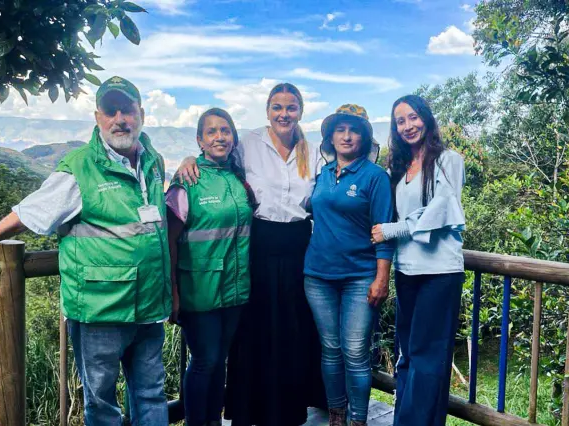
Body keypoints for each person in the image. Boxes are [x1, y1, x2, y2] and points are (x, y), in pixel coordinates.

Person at [0, 77, 171, 426]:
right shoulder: (79, 168)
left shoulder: (151, 160)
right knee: (102, 405)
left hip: (149, 307)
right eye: (109, 111)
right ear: (97, 117)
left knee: (151, 395)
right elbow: (29, 212)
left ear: (141, 113)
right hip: (100, 312)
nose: (119, 119)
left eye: (126, 109)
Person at [176, 82, 326, 426]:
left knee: (292, 331)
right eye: (277, 107)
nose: (284, 114)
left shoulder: (313, 151)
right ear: (267, 111)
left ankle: (287, 412)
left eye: (290, 108)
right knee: (253, 332)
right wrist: (188, 160)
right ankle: (248, 412)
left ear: (300, 111)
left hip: (299, 247)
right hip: (258, 246)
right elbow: (218, 164)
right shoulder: (249, 144)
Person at [371, 94, 466, 426]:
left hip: (439, 272)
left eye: (413, 117)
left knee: (428, 358)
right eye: (400, 121)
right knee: (407, 356)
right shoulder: (397, 168)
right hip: (407, 271)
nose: (408, 126)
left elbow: (440, 211)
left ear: (426, 119)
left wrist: (391, 230)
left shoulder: (448, 161)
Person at [304, 104, 394, 426]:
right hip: (317, 275)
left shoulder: (375, 177)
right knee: (330, 349)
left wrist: (382, 278)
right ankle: (336, 415)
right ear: (330, 136)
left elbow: (384, 231)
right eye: (340, 129)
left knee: (355, 353)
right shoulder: (324, 174)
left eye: (353, 130)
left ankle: (358, 420)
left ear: (364, 136)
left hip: (360, 276)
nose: (346, 136)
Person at [165, 108, 255, 426]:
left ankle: (213, 422)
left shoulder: (237, 178)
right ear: (200, 140)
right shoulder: (188, 180)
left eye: (226, 130)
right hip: (198, 290)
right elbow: (169, 240)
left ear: (233, 137)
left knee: (220, 363)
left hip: (234, 288)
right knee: (205, 361)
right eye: (212, 131)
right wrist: (172, 291)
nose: (220, 136)